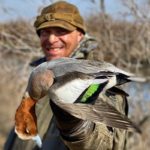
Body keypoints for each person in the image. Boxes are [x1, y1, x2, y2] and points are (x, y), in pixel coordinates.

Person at [4, 1, 129, 150]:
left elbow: (103, 145)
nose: (51, 39)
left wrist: (75, 124)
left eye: (60, 31)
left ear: (80, 35)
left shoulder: (96, 77)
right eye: (45, 32)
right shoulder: (41, 76)